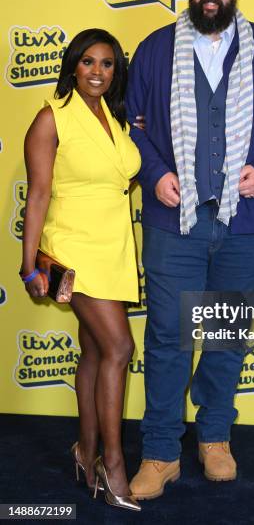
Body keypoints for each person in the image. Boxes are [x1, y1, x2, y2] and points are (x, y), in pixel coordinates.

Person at [126, 0, 254, 499]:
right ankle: (160, 452)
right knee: (166, 337)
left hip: (247, 220)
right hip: (172, 219)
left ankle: (214, 436)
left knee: (227, 335)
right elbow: (132, 124)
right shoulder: (156, 48)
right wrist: (156, 171)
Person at [21, 29, 141, 511]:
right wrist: (29, 264)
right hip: (73, 245)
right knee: (119, 346)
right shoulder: (52, 118)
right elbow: (39, 195)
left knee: (94, 350)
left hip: (114, 244)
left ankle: (84, 451)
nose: (97, 72)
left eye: (107, 64)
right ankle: (113, 465)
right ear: (73, 66)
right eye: (88, 62)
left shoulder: (115, 117)